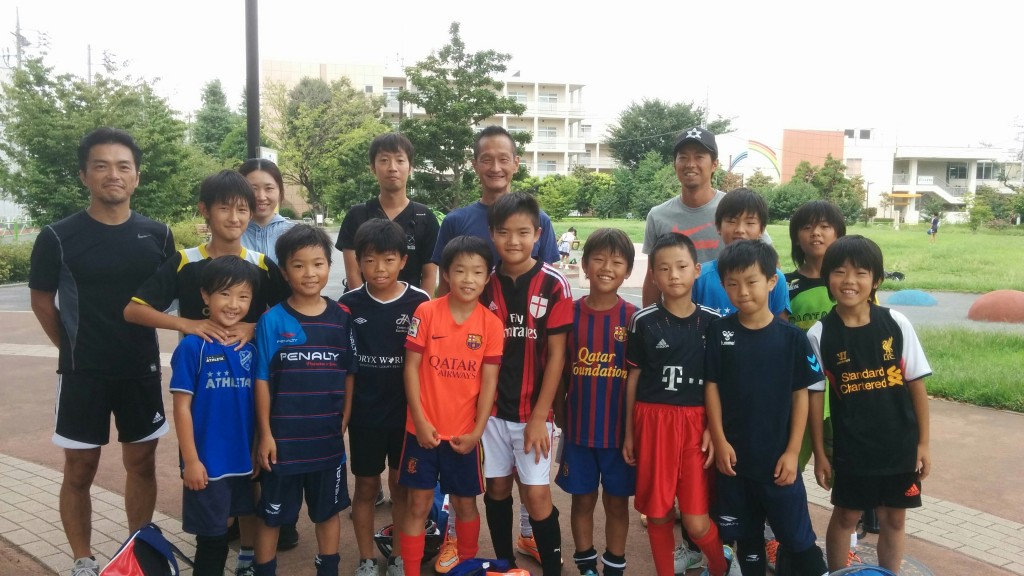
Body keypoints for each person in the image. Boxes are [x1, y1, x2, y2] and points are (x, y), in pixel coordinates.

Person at [28, 127, 175, 576]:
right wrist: (72, 348)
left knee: (141, 463)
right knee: (79, 469)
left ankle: (138, 550)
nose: (114, 174)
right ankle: (83, 559)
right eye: (101, 165)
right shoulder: (57, 236)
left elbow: (166, 300)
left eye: (123, 166)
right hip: (83, 374)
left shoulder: (158, 234)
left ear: (137, 176)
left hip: (140, 370)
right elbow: (41, 300)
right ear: (84, 175)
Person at [808, 235, 932, 573]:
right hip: (853, 449)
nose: (849, 281)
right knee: (846, 516)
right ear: (827, 278)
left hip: (899, 445)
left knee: (894, 518)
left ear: (876, 280)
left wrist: (923, 443)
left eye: (861, 273)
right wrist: (820, 453)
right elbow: (815, 397)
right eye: (840, 272)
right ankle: (838, 572)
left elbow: (916, 384)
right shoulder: (820, 334)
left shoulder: (896, 323)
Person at [704, 240, 828, 576]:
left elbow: (801, 395)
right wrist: (720, 440)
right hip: (734, 463)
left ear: (772, 281)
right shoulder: (719, 332)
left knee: (799, 541)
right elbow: (711, 387)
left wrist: (792, 451)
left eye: (751, 282)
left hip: (778, 463)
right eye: (732, 284)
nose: (742, 292)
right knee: (747, 541)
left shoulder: (792, 338)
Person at [622, 233, 733, 576]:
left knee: (697, 522)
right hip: (653, 421)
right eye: (664, 268)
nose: (673, 275)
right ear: (653, 275)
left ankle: (721, 565)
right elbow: (633, 379)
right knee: (658, 514)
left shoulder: (714, 323)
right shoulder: (643, 321)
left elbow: (720, 384)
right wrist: (629, 433)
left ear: (696, 270)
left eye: (681, 266)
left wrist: (714, 429)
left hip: (696, 425)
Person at [252, 225, 357, 576]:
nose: (309, 273)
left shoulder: (342, 318)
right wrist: (265, 434)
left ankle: (328, 569)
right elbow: (262, 380)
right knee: (271, 516)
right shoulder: (272, 320)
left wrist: (345, 417)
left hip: (326, 442)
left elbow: (349, 372)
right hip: (282, 444)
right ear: (284, 272)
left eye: (317, 264)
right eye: (298, 265)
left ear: (329, 266)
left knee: (327, 513)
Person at [397, 235, 504, 576]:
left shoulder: (491, 325)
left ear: (487, 277)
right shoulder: (426, 312)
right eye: (460, 270)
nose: (468, 279)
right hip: (422, 431)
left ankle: (467, 567)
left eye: (477, 272)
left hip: (463, 436)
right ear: (446, 273)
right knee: (417, 504)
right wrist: (419, 420)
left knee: (465, 504)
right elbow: (411, 368)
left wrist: (476, 432)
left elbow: (489, 382)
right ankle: (410, 570)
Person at [479, 192, 572, 575]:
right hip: (491, 412)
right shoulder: (484, 283)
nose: (513, 241)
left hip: (534, 412)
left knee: (536, 495)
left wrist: (539, 416)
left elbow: (557, 357)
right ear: (492, 234)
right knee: (497, 489)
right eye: (504, 232)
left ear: (537, 234)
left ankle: (552, 569)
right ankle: (505, 565)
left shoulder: (554, 284)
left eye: (522, 232)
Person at [340, 219, 431, 576]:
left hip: (406, 414)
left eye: (389, 259)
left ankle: (398, 555)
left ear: (403, 261)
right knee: (365, 486)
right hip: (365, 415)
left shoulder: (420, 302)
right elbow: (343, 363)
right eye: (370, 260)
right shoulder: (348, 304)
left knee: (401, 487)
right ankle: (366, 557)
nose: (380, 268)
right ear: (359, 262)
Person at [778, 200, 857, 572]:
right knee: (787, 467)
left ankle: (848, 544)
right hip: (798, 394)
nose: (816, 233)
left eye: (825, 226)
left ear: (839, 233)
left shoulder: (851, 283)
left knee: (848, 473)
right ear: (796, 236)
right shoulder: (786, 284)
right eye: (808, 226)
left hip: (845, 395)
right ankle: (783, 539)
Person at [125, 170, 289, 346]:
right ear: (204, 209)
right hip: (197, 362)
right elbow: (133, 311)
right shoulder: (185, 261)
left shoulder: (262, 265)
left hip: (251, 362)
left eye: (242, 210)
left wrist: (256, 328)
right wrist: (187, 324)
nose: (234, 218)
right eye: (224, 208)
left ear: (250, 214)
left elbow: (293, 311)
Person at [169, 256, 260, 576]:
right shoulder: (193, 347)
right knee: (212, 538)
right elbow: (181, 407)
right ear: (205, 296)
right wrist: (191, 461)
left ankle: (245, 564)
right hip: (207, 464)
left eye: (243, 296)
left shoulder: (251, 347)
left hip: (243, 461)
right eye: (225, 293)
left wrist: (256, 448)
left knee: (239, 518)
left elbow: (258, 406)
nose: (234, 304)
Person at [555, 229, 638, 576]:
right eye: (599, 260)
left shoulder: (634, 318)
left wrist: (635, 430)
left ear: (628, 271)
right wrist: (559, 410)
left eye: (616, 262)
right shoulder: (567, 313)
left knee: (617, 503)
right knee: (582, 500)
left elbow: (639, 378)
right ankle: (586, 563)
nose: (606, 268)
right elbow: (557, 368)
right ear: (585, 265)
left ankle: (614, 566)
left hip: (620, 435)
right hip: (579, 431)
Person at [641, 128, 771, 306]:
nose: (690, 164)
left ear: (714, 164)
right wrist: (647, 319)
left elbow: (769, 265)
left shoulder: (735, 209)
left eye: (699, 157)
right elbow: (652, 277)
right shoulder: (658, 216)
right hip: (678, 315)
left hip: (732, 310)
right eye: (683, 157)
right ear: (674, 164)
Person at [431, 125, 560, 296]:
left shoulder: (538, 219)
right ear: (475, 165)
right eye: (487, 160)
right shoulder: (454, 222)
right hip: (471, 313)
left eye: (503, 159)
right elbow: (445, 288)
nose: (495, 168)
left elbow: (548, 285)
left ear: (516, 163)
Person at [337, 133, 440, 295]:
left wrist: (420, 309)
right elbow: (353, 274)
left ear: (410, 168)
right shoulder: (357, 215)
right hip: (362, 306)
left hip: (411, 307)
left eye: (400, 160)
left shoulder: (425, 217)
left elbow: (429, 276)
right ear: (373, 168)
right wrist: (365, 306)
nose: (392, 168)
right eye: (384, 160)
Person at [692, 188, 789, 318]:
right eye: (732, 221)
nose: (740, 230)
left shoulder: (774, 277)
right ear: (718, 227)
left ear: (762, 229)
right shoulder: (699, 278)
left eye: (750, 223)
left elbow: (781, 325)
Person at [240, 158, 295, 265]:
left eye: (269, 188)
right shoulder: (231, 232)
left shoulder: (294, 233)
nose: (261, 197)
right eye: (253, 189)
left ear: (280, 192)